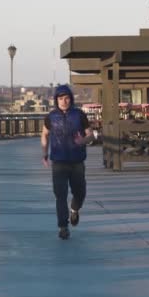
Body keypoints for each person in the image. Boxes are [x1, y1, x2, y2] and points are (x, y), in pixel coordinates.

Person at [41, 85, 95, 240]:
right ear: (56, 100)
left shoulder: (79, 115)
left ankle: (75, 209)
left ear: (71, 99)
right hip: (58, 162)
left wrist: (82, 140)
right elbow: (44, 134)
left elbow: (91, 135)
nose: (64, 101)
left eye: (66, 98)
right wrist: (44, 152)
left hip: (77, 161)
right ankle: (63, 227)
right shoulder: (51, 117)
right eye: (60, 99)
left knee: (80, 192)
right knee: (60, 195)